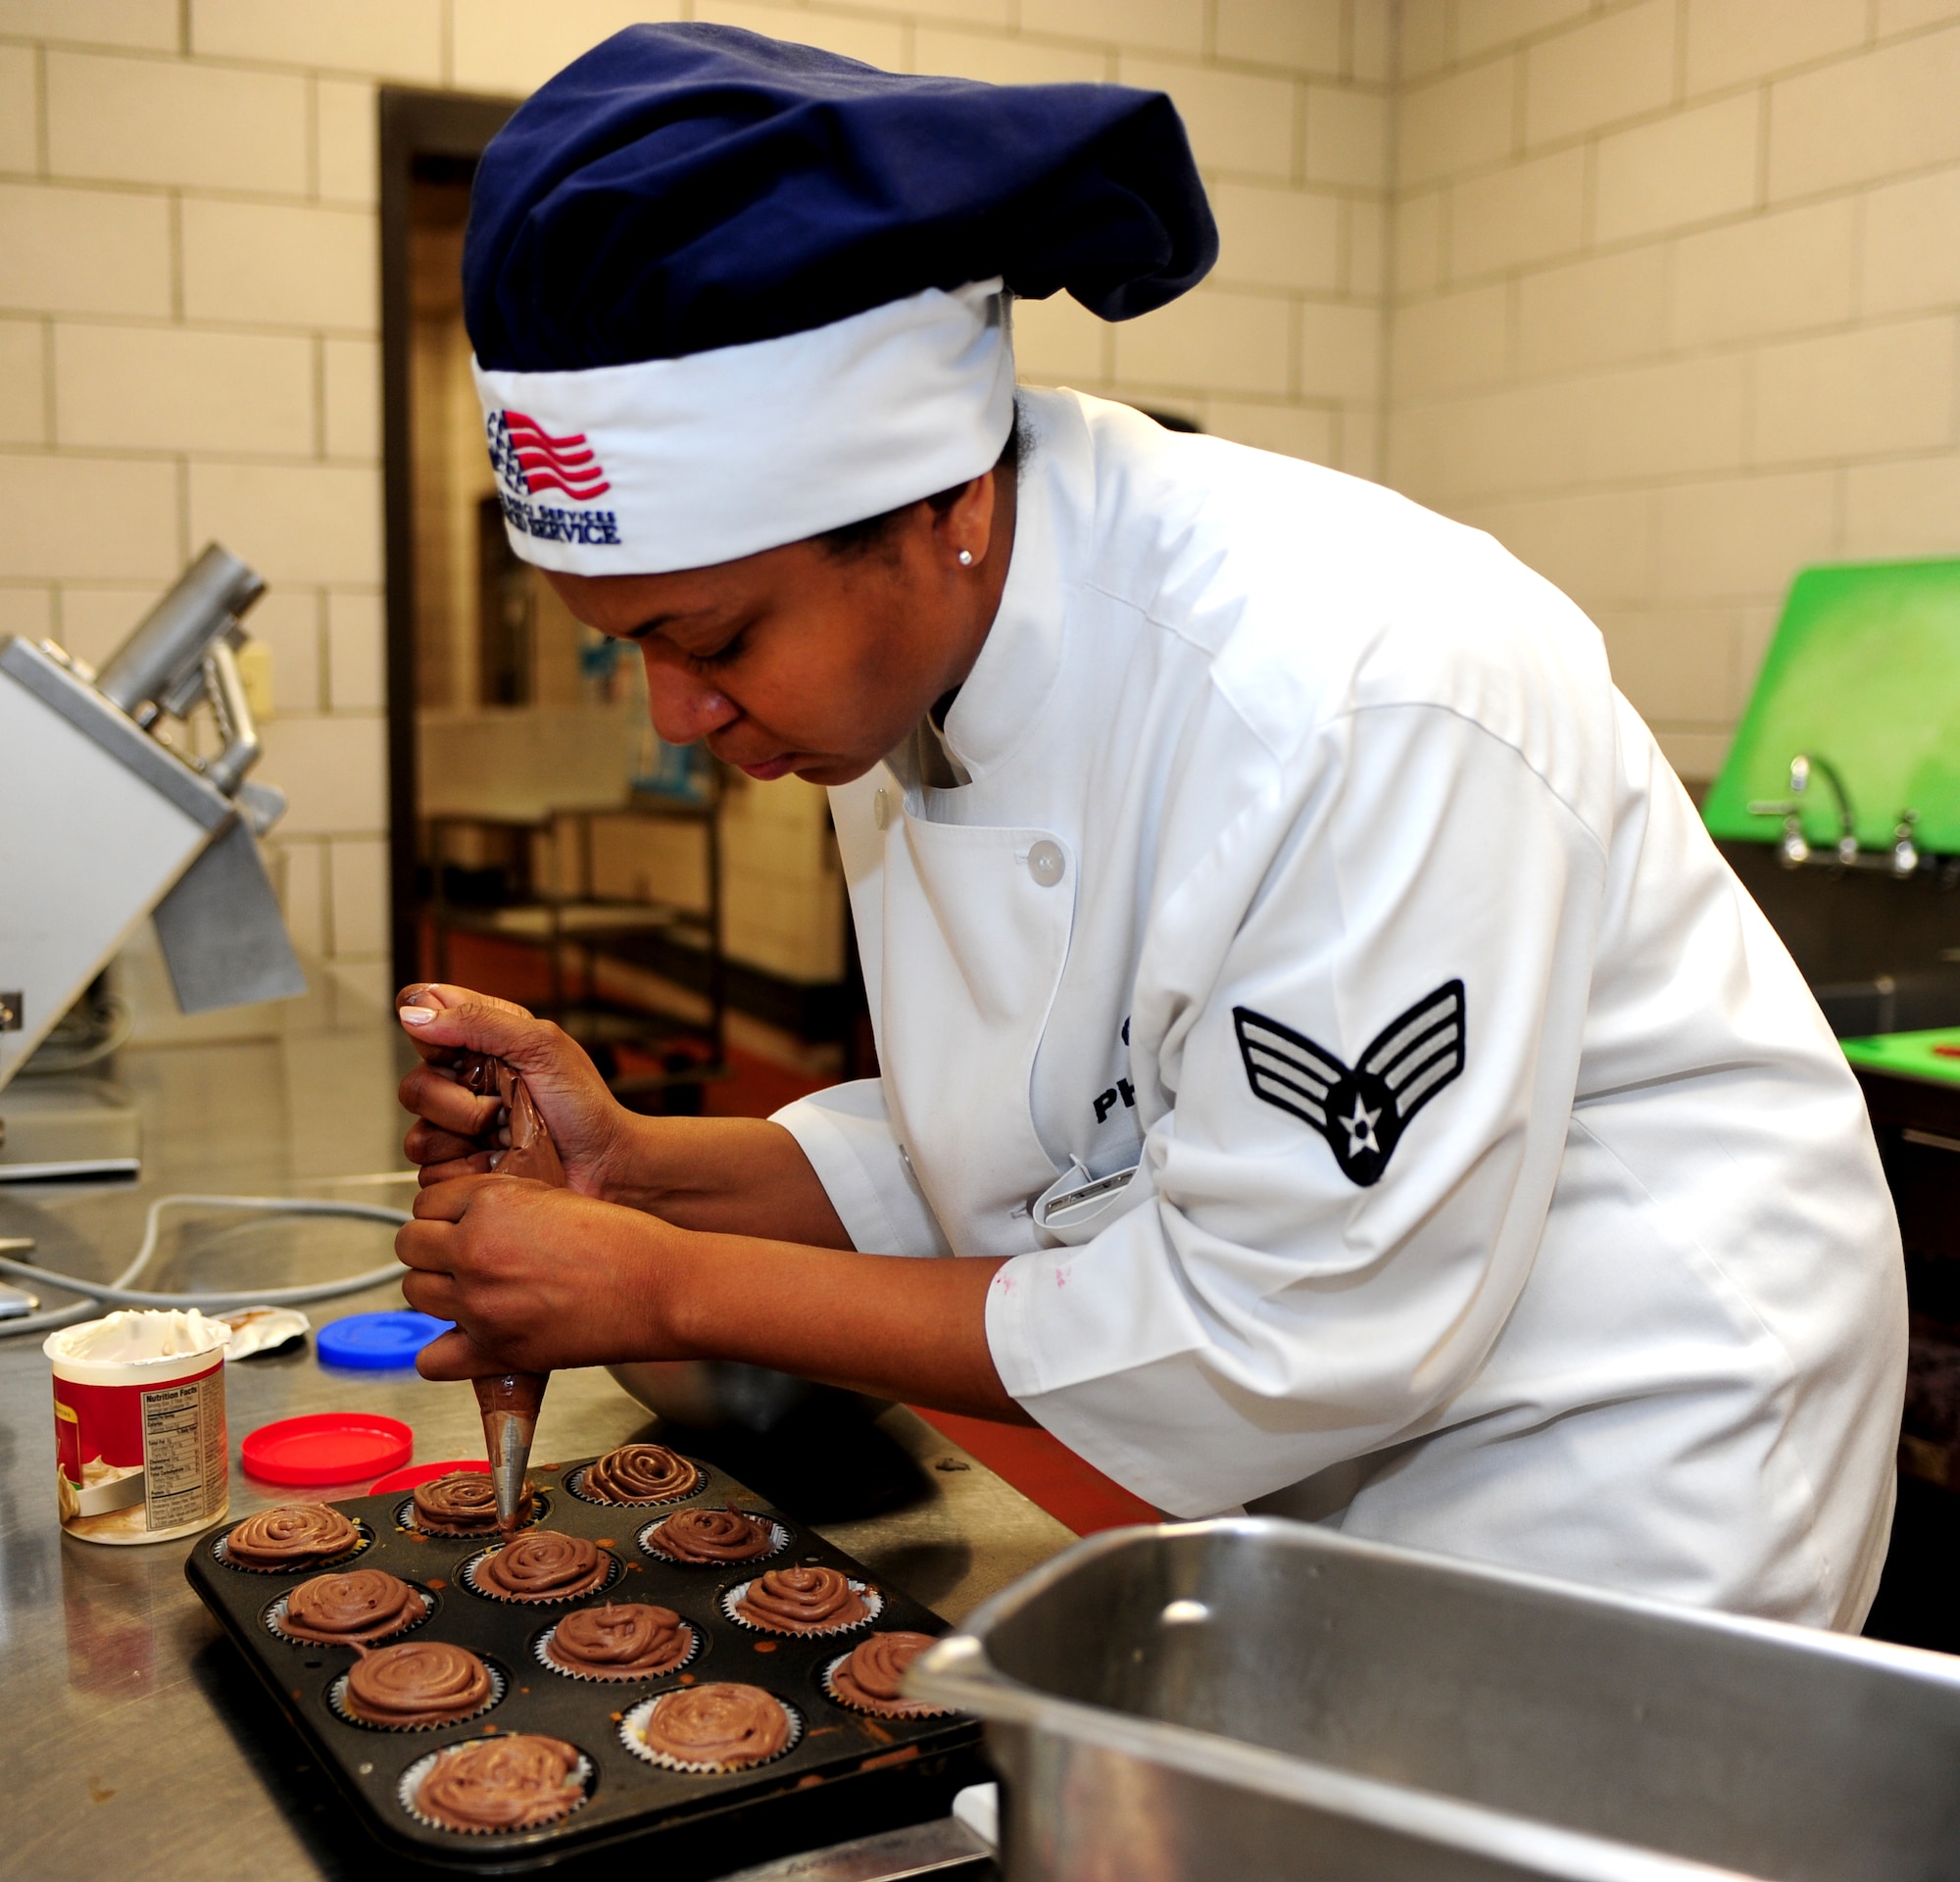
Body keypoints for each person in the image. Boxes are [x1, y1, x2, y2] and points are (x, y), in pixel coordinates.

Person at [395, 23, 1906, 1630]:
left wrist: (668, 1283)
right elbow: (1053, 1143)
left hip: (1619, 1465)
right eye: (635, 642)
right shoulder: (913, 664)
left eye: (711, 640)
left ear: (945, 508)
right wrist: (643, 1172)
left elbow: (1284, 1323)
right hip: (1327, 1462)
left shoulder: (1351, 687)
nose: (675, 719)